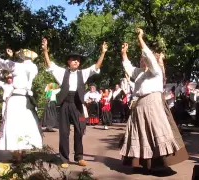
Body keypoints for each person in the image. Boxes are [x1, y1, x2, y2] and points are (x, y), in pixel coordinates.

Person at [120, 28, 183, 172]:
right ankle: (141, 164)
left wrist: (140, 39)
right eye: (141, 59)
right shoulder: (140, 73)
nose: (142, 60)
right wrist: (124, 54)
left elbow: (148, 55)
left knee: (156, 132)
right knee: (140, 134)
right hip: (139, 105)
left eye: (144, 59)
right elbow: (129, 68)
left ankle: (159, 164)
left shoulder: (156, 71)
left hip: (152, 103)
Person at [42, 38, 108, 168]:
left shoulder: (82, 73)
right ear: (69, 61)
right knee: (64, 132)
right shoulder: (62, 72)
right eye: (73, 59)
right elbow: (50, 65)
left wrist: (103, 53)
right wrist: (45, 51)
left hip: (78, 105)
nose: (76, 61)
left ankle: (79, 157)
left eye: (78, 60)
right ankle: (64, 158)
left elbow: (96, 67)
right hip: (65, 104)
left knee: (80, 128)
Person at [0, 42, 42, 161]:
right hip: (27, 98)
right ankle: (21, 151)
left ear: (22, 57)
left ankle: (17, 153)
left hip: (17, 98)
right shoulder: (34, 67)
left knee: (14, 124)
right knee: (25, 125)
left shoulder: (18, 66)